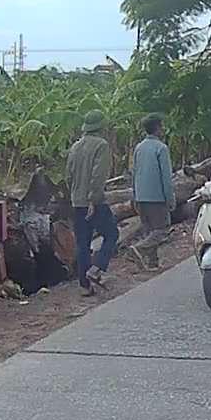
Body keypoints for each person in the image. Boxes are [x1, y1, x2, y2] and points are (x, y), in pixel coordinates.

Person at [66, 110, 118, 296]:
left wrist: (76, 195)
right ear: (101, 126)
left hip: (77, 201)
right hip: (94, 201)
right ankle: (97, 268)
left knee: (83, 243)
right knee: (112, 234)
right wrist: (93, 200)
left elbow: (68, 175)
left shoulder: (75, 147)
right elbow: (98, 175)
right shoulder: (101, 145)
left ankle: (84, 285)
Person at [128, 114, 174, 271]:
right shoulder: (161, 148)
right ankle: (138, 248)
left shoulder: (139, 148)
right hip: (156, 196)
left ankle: (152, 263)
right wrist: (170, 198)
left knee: (149, 230)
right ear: (158, 128)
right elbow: (166, 177)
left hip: (141, 195)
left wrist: (135, 195)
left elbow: (134, 173)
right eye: (162, 126)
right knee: (161, 230)